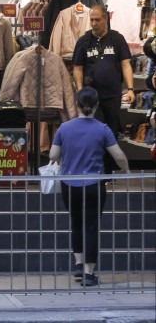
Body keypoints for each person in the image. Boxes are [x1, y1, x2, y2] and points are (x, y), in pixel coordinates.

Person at [49, 88, 130, 287]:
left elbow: (52, 155)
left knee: (76, 223)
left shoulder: (64, 128)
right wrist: (126, 170)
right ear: (96, 105)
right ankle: (89, 273)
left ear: (77, 105)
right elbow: (118, 155)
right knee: (91, 227)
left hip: (69, 184)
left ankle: (78, 263)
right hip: (94, 185)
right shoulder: (102, 129)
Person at [71, 6, 134, 139]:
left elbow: (126, 64)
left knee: (111, 132)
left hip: (113, 95)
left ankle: (110, 160)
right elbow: (77, 68)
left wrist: (130, 89)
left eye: (97, 20)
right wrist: (80, 90)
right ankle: (94, 159)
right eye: (92, 20)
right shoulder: (84, 41)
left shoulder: (117, 39)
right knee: (93, 132)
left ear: (106, 19)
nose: (94, 23)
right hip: (91, 96)